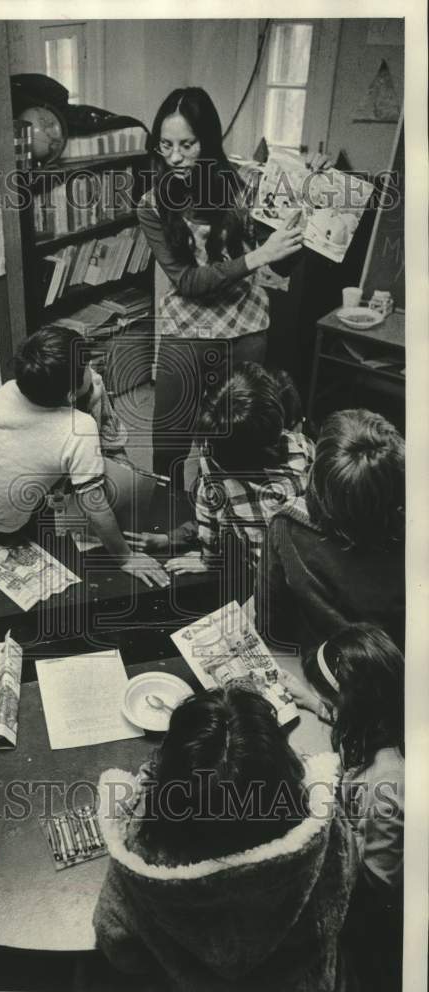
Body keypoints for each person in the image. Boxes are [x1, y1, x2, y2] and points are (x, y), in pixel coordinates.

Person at [92, 687, 357, 992]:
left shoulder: (142, 857)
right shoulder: (325, 826)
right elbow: (347, 882)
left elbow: (117, 944)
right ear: (283, 768)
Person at [138, 87, 320, 491]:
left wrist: (311, 197)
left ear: (209, 141)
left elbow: (284, 260)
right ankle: (168, 527)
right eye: (165, 145)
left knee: (235, 444)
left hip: (245, 335)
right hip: (184, 334)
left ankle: (221, 530)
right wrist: (254, 259)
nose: (174, 156)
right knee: (168, 447)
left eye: (187, 144)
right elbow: (187, 282)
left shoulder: (248, 188)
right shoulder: (151, 205)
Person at [0, 326, 169, 587]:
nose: (93, 370)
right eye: (86, 368)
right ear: (70, 395)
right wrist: (125, 558)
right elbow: (94, 507)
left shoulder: (6, 390)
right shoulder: (79, 427)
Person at [279, 624, 404, 992]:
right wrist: (310, 699)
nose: (328, 707)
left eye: (330, 700)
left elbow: (378, 881)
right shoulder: (385, 717)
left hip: (366, 908)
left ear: (354, 705)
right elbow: (353, 719)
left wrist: (324, 813)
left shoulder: (389, 784)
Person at [126, 363, 314, 581]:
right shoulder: (303, 445)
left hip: (268, 578)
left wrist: (207, 559)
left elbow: (208, 518)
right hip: (313, 567)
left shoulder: (212, 462)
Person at [256, 409, 404, 653]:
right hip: (386, 672)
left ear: (317, 472)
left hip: (316, 662)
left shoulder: (286, 524)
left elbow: (270, 625)